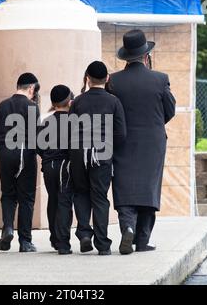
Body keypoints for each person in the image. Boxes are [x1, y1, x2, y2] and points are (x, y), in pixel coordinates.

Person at [109, 29, 176, 254]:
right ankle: (142, 240)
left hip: (122, 142)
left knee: (124, 185)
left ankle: (127, 226)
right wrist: (154, 124)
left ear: (126, 56)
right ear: (146, 55)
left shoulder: (114, 81)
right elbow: (170, 110)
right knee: (149, 188)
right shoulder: (160, 79)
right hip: (152, 143)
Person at [69, 61, 127, 256]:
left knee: (81, 193)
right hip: (102, 153)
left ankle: (85, 234)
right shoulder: (114, 102)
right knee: (100, 198)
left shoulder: (77, 101)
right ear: (107, 78)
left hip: (79, 152)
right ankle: (103, 244)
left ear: (87, 79)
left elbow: (69, 130)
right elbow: (121, 134)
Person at [0, 73, 41, 253]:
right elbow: (36, 136)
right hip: (25, 154)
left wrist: (2, 151)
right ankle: (25, 241)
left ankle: (7, 228)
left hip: (5, 153)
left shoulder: (2, 105)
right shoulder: (32, 107)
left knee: (7, 194)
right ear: (31, 88)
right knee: (27, 198)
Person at [38, 85, 75, 255]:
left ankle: (54, 238)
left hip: (48, 166)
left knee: (53, 200)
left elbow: (38, 145)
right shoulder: (73, 121)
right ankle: (63, 243)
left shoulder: (45, 122)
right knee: (64, 202)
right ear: (69, 101)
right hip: (64, 166)